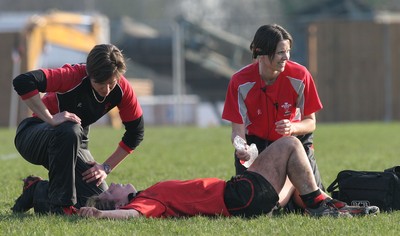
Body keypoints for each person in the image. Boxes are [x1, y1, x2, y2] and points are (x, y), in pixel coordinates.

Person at [73, 137, 378, 219]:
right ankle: (319, 206)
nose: (111, 184)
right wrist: (101, 213)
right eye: (108, 190)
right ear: (117, 201)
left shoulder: (146, 195)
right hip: (238, 195)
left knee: (293, 160)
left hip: (244, 198)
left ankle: (324, 204)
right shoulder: (143, 202)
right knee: (290, 146)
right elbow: (133, 217)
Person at [12, 44, 144, 215]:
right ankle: (63, 205)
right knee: (70, 128)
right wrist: (50, 119)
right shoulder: (73, 76)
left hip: (72, 143)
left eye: (112, 83)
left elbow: (136, 132)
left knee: (98, 200)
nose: (107, 90)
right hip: (32, 136)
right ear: (89, 74)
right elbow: (23, 81)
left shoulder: (122, 89)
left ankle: (36, 189)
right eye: (100, 84)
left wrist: (105, 167)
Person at [222, 24, 323, 210]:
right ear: (260, 53)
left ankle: (293, 184)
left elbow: (311, 122)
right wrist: (242, 147)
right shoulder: (239, 81)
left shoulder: (301, 75)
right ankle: (289, 186)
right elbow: (237, 130)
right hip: (256, 146)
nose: (286, 57)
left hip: (294, 144)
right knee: (254, 201)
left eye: (288, 51)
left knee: (308, 203)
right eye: (280, 52)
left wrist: (292, 127)